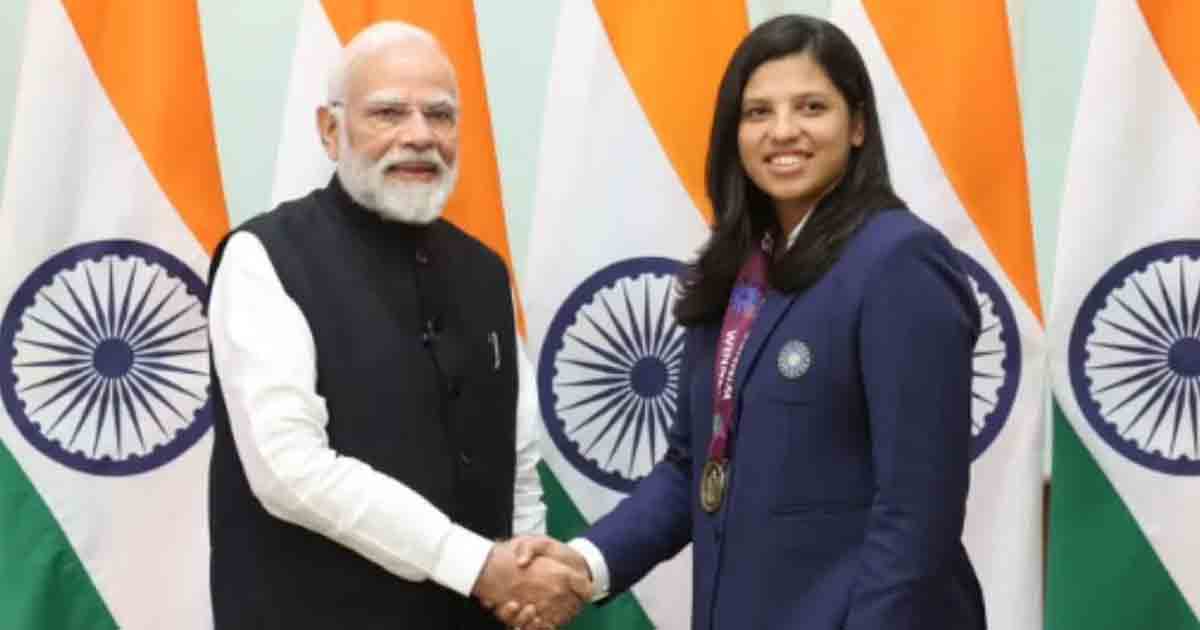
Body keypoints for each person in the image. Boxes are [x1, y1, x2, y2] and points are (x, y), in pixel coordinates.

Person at [504, 14, 987, 630]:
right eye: (758, 112)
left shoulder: (898, 260)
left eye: (811, 107)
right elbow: (695, 468)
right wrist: (584, 564)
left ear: (858, 125)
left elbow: (918, 510)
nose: (783, 131)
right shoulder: (739, 274)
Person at [206, 22, 587, 630]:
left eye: (440, 115)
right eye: (388, 113)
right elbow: (287, 468)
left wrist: (525, 589)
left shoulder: (484, 271)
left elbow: (515, 463)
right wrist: (475, 565)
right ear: (330, 131)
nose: (420, 136)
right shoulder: (264, 258)